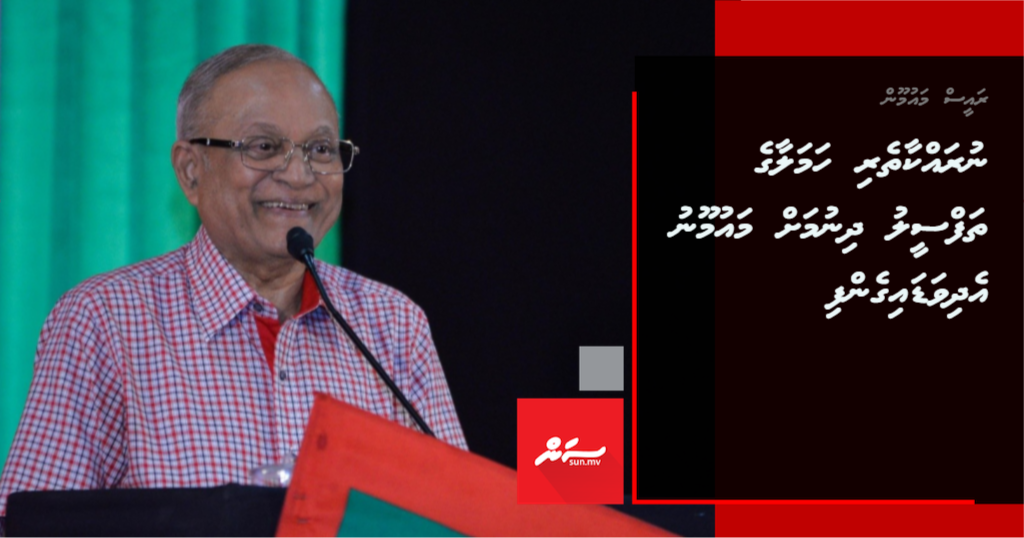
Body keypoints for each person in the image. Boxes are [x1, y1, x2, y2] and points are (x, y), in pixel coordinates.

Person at [0, 44, 467, 516]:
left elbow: (459, 518)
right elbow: (29, 524)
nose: (299, 175)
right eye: (264, 147)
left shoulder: (394, 325)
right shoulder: (105, 322)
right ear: (191, 171)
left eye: (321, 149)